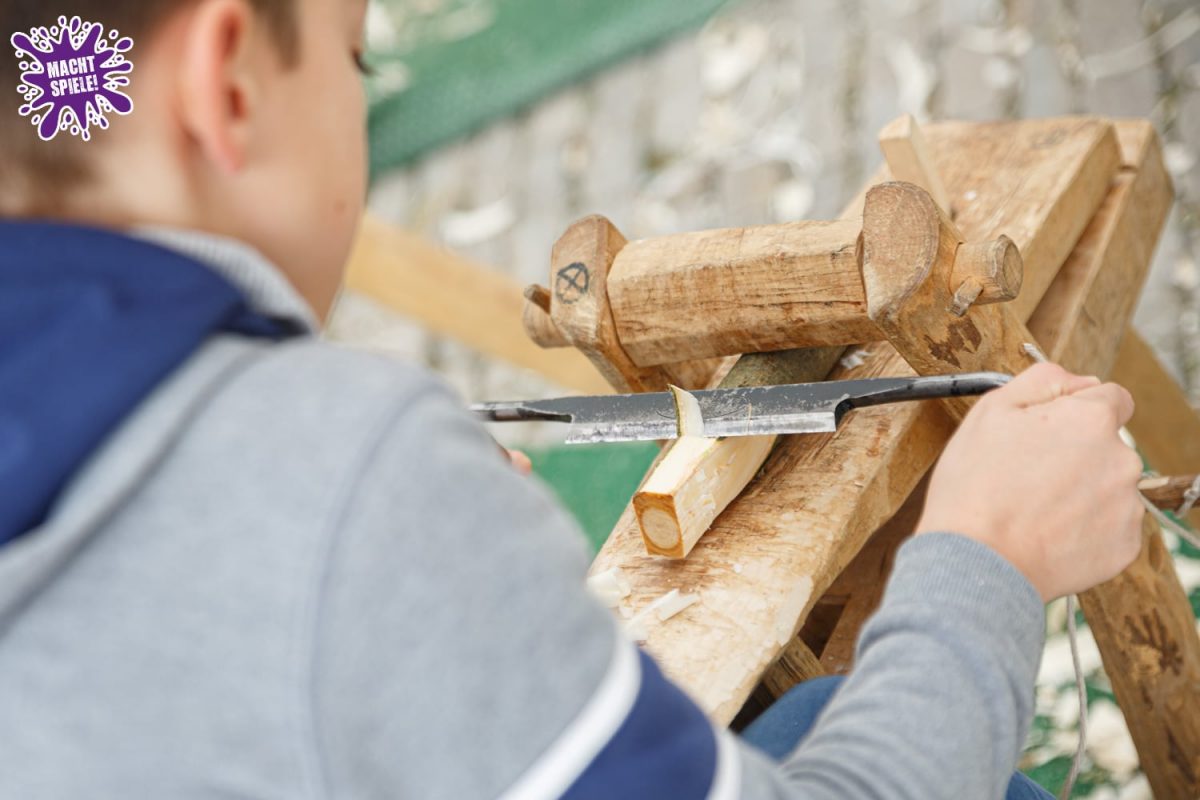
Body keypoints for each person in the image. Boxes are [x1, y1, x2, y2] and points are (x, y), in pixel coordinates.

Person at [0, 1, 1147, 797]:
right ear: (227, 80)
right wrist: (987, 561)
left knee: (796, 719)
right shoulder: (335, 470)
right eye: (352, 60)